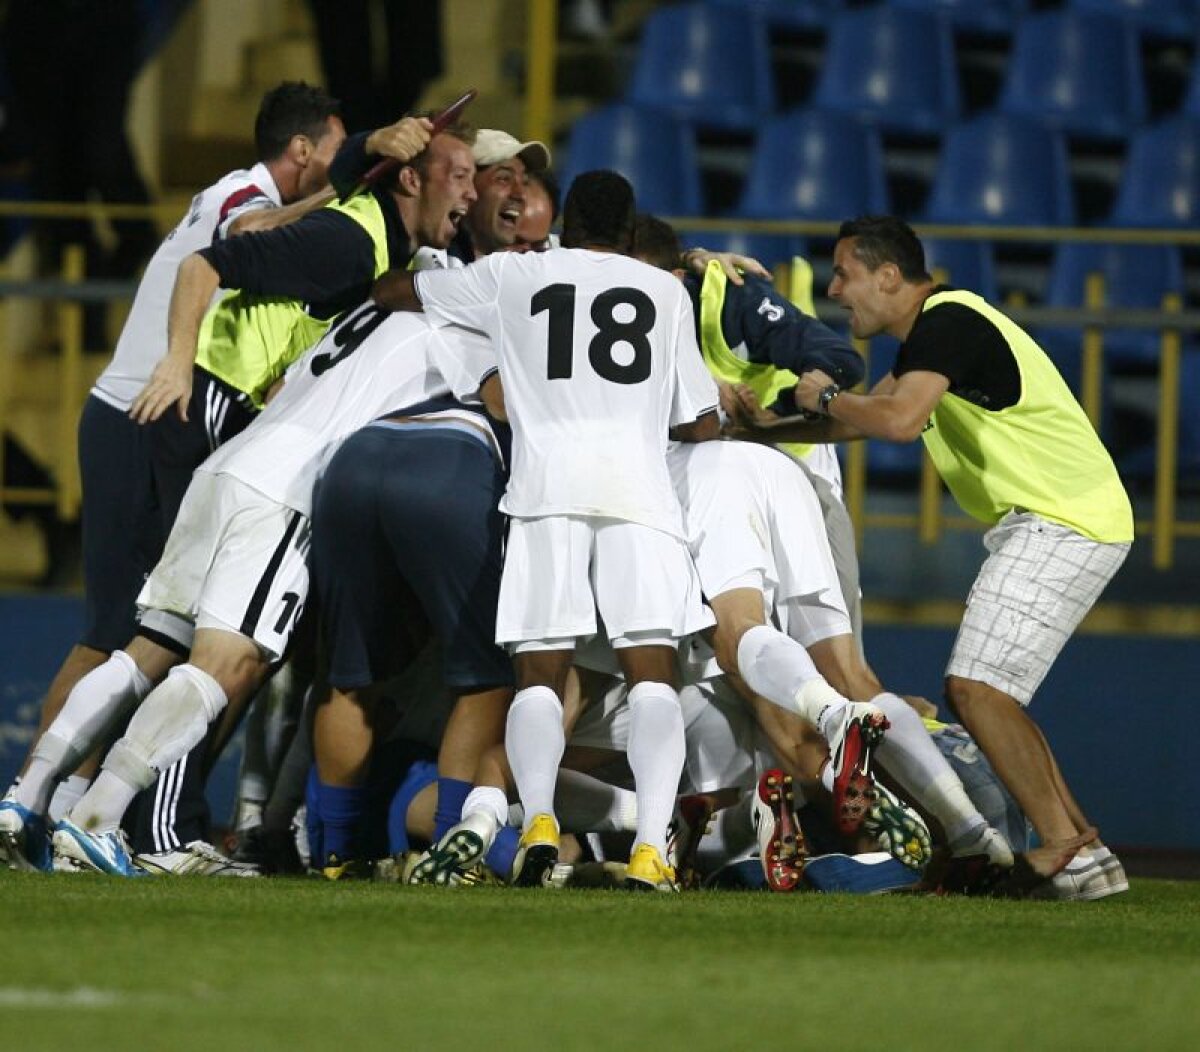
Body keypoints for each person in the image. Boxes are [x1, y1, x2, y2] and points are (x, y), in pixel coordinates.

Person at [5, 293, 488, 877]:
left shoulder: (371, 315)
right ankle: (97, 818)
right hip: (285, 489)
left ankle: (25, 798)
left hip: (228, 466)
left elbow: (281, 387)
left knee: (147, 650)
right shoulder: (461, 324)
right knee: (228, 664)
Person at [729, 214, 1132, 900]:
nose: (834, 290)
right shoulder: (940, 330)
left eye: (845, 275)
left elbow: (896, 421)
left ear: (890, 276)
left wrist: (825, 393)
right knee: (989, 691)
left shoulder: (947, 324)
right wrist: (766, 429)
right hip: (1070, 518)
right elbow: (869, 414)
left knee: (977, 691)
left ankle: (1061, 847)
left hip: (1064, 521)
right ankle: (1086, 857)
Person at [0, 81, 347, 873]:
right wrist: (345, 192)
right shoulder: (243, 198)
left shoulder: (229, 193)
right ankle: (44, 803)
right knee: (125, 630)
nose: (343, 164)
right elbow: (240, 240)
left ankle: (46, 804)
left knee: (138, 630)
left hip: (141, 414)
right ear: (301, 151)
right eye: (336, 149)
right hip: (144, 414)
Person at [373, 170, 721, 891]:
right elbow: (699, 419)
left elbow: (397, 292)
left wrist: (407, 284)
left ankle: (536, 820)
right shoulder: (665, 291)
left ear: (565, 222)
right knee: (651, 670)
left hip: (544, 491)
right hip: (638, 493)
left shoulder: (514, 274)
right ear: (630, 232)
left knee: (539, 671)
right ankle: (651, 848)